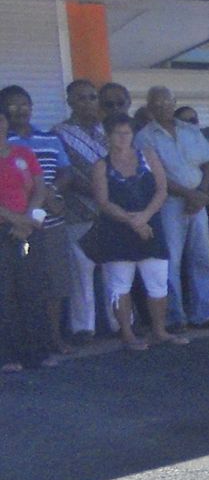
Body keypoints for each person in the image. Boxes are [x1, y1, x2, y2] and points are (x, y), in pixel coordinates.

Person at [89, 113, 181, 350]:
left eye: (127, 132)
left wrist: (145, 217)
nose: (122, 137)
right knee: (120, 284)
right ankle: (127, 334)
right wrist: (134, 222)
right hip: (118, 229)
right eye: (117, 133)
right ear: (108, 136)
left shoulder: (148, 156)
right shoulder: (101, 165)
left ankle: (159, 330)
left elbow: (162, 190)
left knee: (158, 281)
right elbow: (103, 201)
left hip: (151, 225)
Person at [133, 86, 209, 331]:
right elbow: (153, 175)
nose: (162, 108)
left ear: (175, 102)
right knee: (172, 262)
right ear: (149, 108)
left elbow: (208, 163)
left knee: (203, 259)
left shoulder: (191, 130)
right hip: (168, 203)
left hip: (198, 202)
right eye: (156, 104)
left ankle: (203, 313)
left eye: (167, 103)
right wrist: (189, 194)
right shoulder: (144, 137)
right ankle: (175, 317)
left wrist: (201, 192)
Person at [3, 85, 74, 355]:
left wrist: (49, 196)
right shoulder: (5, 143)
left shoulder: (49, 137)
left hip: (48, 220)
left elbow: (65, 172)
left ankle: (53, 338)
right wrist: (29, 213)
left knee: (54, 283)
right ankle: (21, 344)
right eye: (12, 104)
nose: (20, 109)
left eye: (25, 103)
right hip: (15, 226)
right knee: (18, 287)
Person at [55, 78, 108, 339]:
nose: (87, 102)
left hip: (111, 212)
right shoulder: (59, 133)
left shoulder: (108, 131)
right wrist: (99, 194)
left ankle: (119, 322)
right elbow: (68, 173)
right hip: (79, 211)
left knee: (114, 271)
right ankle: (83, 327)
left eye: (92, 97)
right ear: (70, 102)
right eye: (80, 98)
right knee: (81, 271)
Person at [0, 123, 53, 371]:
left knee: (32, 290)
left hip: (28, 230)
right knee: (5, 293)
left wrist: (29, 218)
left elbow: (39, 187)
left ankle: (37, 353)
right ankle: (8, 355)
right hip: (5, 229)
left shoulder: (24, 153)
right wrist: (16, 219)